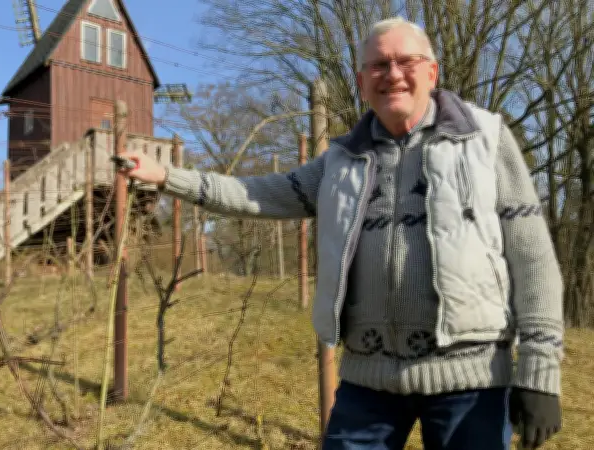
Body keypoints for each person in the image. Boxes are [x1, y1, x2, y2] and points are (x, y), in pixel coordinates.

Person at [117, 16, 564, 450]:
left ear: (432, 71)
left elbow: (534, 259)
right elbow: (255, 193)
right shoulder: (341, 162)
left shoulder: (485, 140)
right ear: (361, 79)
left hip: (472, 379)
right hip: (368, 381)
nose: (392, 74)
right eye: (378, 65)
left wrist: (541, 374)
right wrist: (166, 176)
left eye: (406, 62)